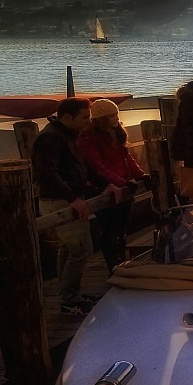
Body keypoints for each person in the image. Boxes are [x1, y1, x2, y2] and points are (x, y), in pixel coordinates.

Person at [32, 97, 122, 315]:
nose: (88, 121)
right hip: (59, 201)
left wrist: (106, 184)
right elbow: (47, 173)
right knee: (81, 249)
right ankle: (69, 299)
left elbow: (80, 167)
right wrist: (72, 198)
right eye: (84, 117)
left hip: (64, 198)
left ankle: (70, 293)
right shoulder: (51, 138)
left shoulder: (66, 135)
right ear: (67, 117)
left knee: (69, 247)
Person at [78, 99, 149, 273]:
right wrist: (122, 182)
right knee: (109, 230)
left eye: (116, 114)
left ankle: (122, 262)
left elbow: (126, 159)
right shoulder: (89, 139)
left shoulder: (117, 134)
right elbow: (98, 166)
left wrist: (141, 175)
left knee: (122, 228)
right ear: (102, 119)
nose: (116, 118)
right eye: (112, 115)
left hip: (123, 186)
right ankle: (113, 266)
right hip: (103, 188)